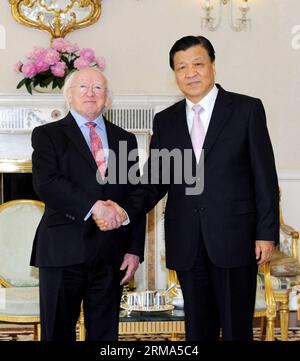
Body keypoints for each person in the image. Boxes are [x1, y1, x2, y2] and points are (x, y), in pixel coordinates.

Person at [94, 36, 279, 341]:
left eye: (197, 64)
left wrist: (266, 232)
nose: (190, 73)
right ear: (175, 75)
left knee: (237, 329)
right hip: (188, 242)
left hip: (235, 238)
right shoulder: (166, 121)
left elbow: (265, 177)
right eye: (181, 67)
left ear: (213, 67)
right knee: (197, 330)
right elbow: (154, 181)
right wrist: (122, 209)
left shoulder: (246, 109)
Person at [30, 67, 145, 341]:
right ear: (69, 96)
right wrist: (95, 206)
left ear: (107, 99)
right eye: (83, 87)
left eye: (98, 88)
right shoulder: (47, 135)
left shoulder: (125, 140)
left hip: (111, 254)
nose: (91, 93)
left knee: (105, 336)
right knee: (58, 332)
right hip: (62, 252)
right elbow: (47, 183)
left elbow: (135, 196)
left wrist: (134, 250)